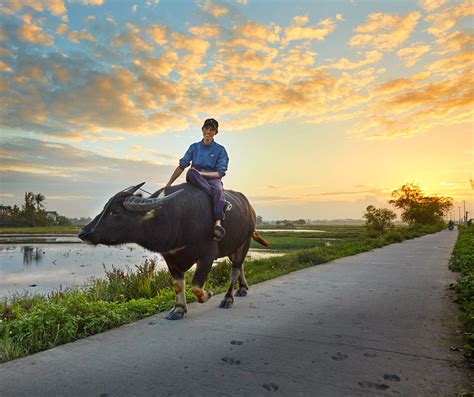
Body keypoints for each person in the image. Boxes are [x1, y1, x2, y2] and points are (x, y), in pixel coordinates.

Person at [165, 118, 231, 241]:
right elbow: (182, 165)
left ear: (215, 133)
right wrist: (168, 184)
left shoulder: (220, 150)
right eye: (206, 128)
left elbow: (220, 172)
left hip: (212, 179)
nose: (208, 131)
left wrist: (202, 173)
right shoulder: (194, 147)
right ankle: (221, 202)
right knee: (191, 172)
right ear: (202, 130)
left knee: (218, 189)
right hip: (195, 178)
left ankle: (218, 224)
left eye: (212, 130)